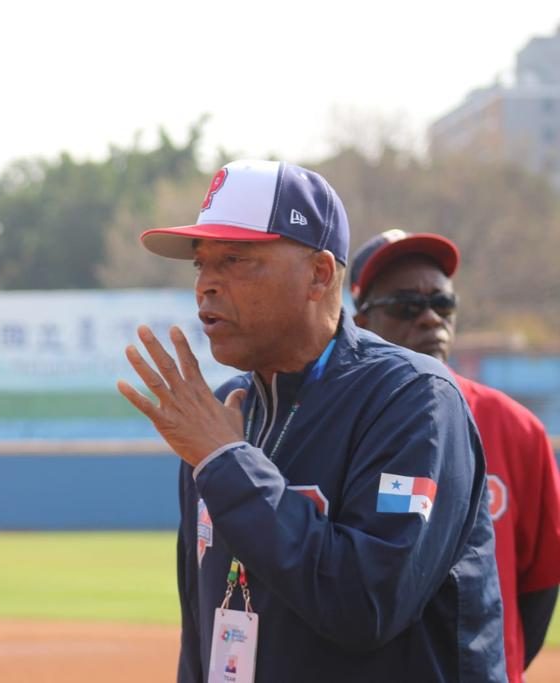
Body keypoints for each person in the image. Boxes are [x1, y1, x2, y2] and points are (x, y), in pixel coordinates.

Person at [117, 159, 505, 682]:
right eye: (200, 264)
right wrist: (220, 456)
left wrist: (228, 462)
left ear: (319, 275)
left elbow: (368, 605)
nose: (206, 284)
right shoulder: (226, 408)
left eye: (235, 259)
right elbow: (203, 627)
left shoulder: (412, 398)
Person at [351, 229, 560, 682]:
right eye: (406, 305)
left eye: (442, 304)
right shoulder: (340, 423)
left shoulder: (517, 429)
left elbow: (540, 586)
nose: (430, 319)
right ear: (361, 323)